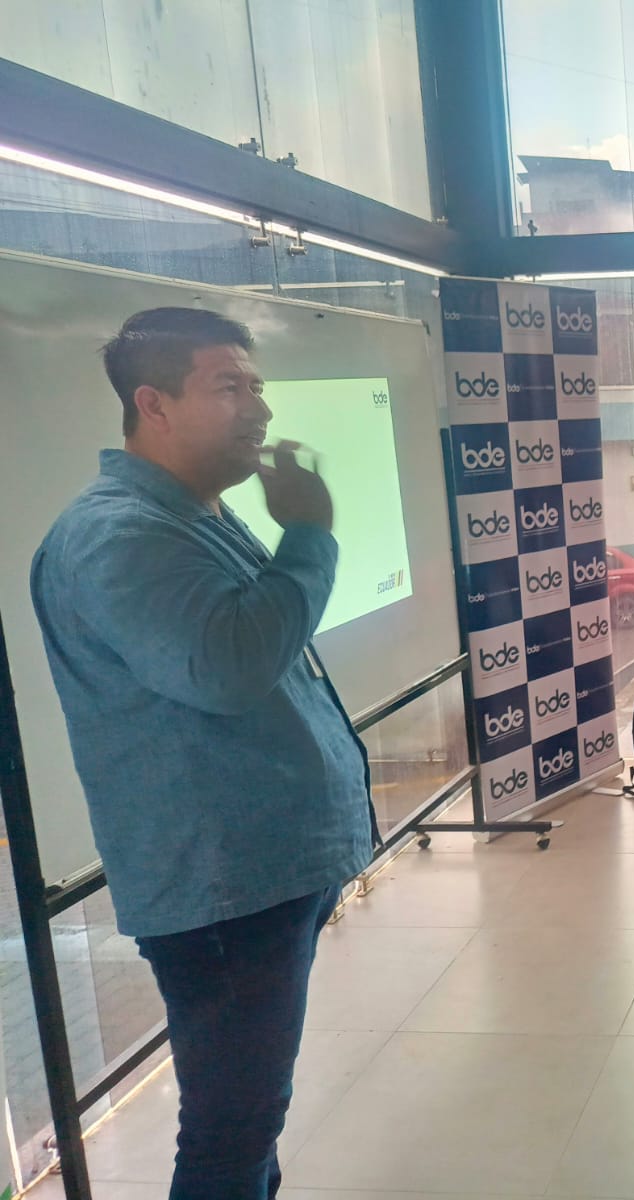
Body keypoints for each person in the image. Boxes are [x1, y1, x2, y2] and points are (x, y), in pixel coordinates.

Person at [30, 308, 375, 1199]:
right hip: (225, 888)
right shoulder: (118, 535)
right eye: (229, 386)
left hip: (262, 876)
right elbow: (228, 667)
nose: (259, 407)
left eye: (258, 385)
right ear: (154, 403)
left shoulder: (188, 514)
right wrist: (310, 536)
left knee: (249, 1119)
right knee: (230, 1133)